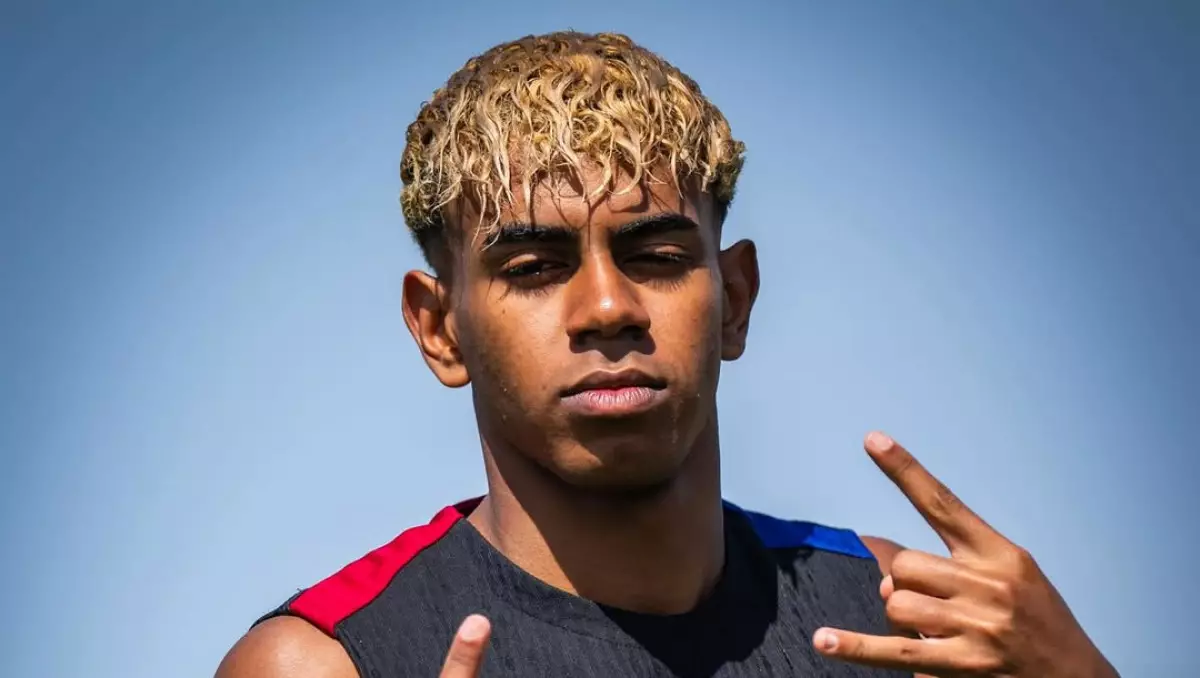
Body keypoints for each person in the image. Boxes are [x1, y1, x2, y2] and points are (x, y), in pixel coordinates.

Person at [215, 31, 1118, 678]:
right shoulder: (322, 663)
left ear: (736, 300)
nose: (608, 308)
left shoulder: (903, 623)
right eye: (533, 269)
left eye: (655, 256)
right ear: (439, 328)